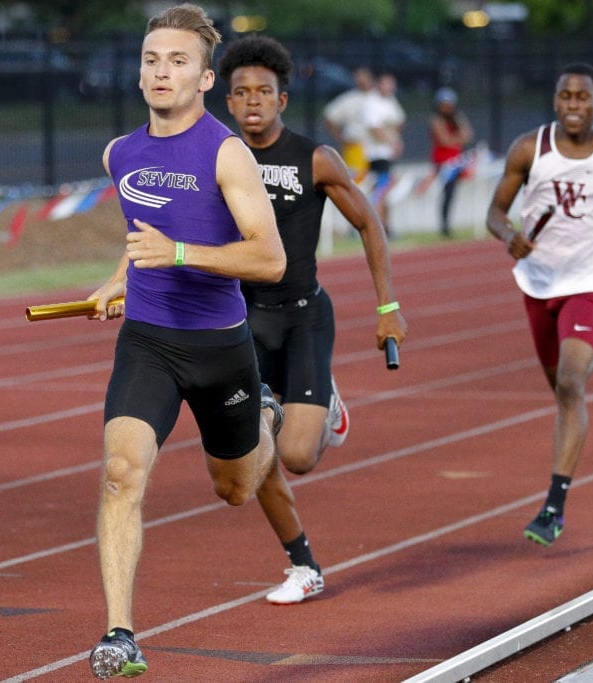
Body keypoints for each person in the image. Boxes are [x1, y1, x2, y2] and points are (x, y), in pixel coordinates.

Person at [82, 5, 289, 678]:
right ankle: (120, 634)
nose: (161, 71)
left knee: (234, 488)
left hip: (218, 345)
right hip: (147, 341)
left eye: (176, 61)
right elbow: (144, 229)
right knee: (120, 474)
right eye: (151, 60)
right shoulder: (120, 153)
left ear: (204, 78)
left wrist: (179, 252)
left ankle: (265, 414)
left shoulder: (226, 152)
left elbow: (269, 259)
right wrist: (118, 276)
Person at [217, 34, 408, 604]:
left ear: (282, 98)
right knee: (251, 455)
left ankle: (324, 402)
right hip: (242, 322)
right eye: (241, 93)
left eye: (264, 92)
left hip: (302, 316)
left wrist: (388, 307)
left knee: (297, 457)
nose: (252, 101)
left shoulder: (314, 158)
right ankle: (303, 564)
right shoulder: (216, 161)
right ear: (228, 102)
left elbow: (370, 224)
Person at [485, 62, 593, 547]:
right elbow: (495, 211)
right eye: (565, 97)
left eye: (583, 98)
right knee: (558, 389)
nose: (573, 105)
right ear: (555, 101)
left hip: (588, 281)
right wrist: (509, 235)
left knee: (570, 384)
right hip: (537, 284)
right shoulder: (528, 149)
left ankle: (553, 506)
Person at [362, 72, 407, 231]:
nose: (390, 88)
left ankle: (384, 225)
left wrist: (395, 139)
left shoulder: (390, 101)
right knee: (381, 189)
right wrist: (392, 142)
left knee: (384, 190)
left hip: (387, 153)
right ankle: (376, 224)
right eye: (387, 84)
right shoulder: (372, 102)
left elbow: (400, 120)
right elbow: (374, 127)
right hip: (376, 153)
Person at [427, 87, 474, 238]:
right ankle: (444, 225)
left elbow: (468, 135)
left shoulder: (457, 118)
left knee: (452, 193)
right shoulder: (436, 120)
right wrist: (457, 138)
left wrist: (455, 138)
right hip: (443, 162)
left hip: (457, 160)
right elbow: (444, 140)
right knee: (446, 193)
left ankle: (448, 225)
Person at [323, 66, 375, 182]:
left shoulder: (378, 98)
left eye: (364, 77)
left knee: (377, 182)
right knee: (357, 182)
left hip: (377, 147)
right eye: (358, 77)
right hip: (356, 146)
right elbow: (329, 117)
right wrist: (340, 138)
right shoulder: (350, 99)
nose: (361, 80)